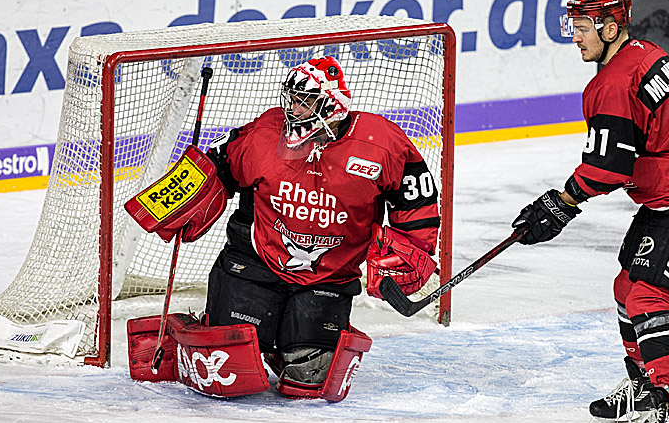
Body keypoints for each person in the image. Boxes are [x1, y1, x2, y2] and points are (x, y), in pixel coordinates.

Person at [511, 0, 669, 423]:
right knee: (625, 287)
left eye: (582, 26)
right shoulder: (647, 53)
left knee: (648, 298)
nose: (575, 35)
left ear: (611, 27)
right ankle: (644, 388)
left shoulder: (611, 83)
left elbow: (610, 167)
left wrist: (562, 202)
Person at [131, 57, 441, 401]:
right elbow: (222, 165)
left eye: (302, 101)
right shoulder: (266, 133)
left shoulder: (380, 142)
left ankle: (288, 338)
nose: (292, 108)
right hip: (254, 263)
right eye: (290, 98)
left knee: (309, 382)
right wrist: (179, 195)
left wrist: (412, 248)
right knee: (225, 374)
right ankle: (205, 329)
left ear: (331, 103)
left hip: (329, 277)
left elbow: (416, 200)